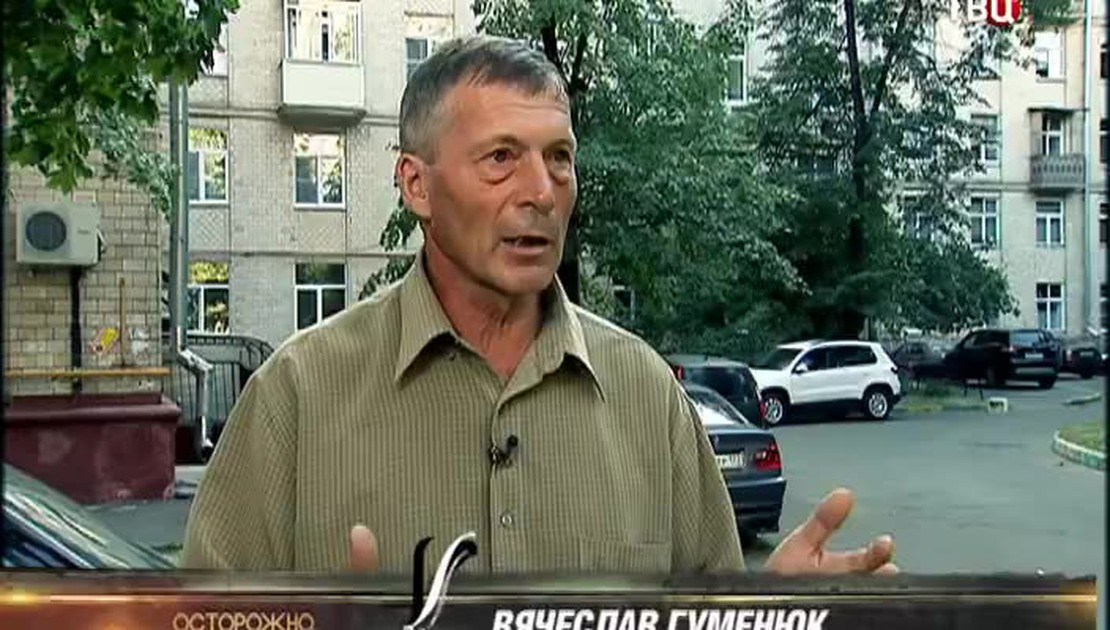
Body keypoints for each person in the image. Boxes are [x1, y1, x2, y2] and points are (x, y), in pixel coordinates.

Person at [181, 35, 897, 577]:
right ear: (416, 185)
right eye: (501, 158)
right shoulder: (296, 398)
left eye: (559, 158)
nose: (542, 191)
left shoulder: (647, 394)